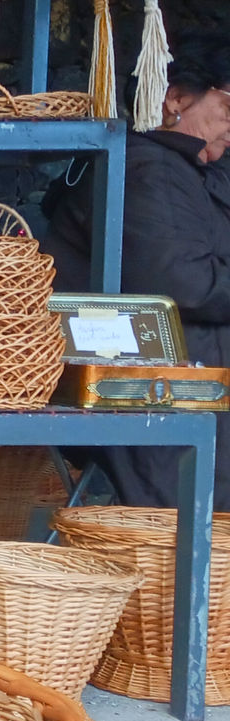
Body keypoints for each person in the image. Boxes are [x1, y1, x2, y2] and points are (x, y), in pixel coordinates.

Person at [42, 45, 230, 507]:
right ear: (176, 100)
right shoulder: (149, 169)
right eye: (228, 107)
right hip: (139, 377)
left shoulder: (184, 169)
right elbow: (186, 282)